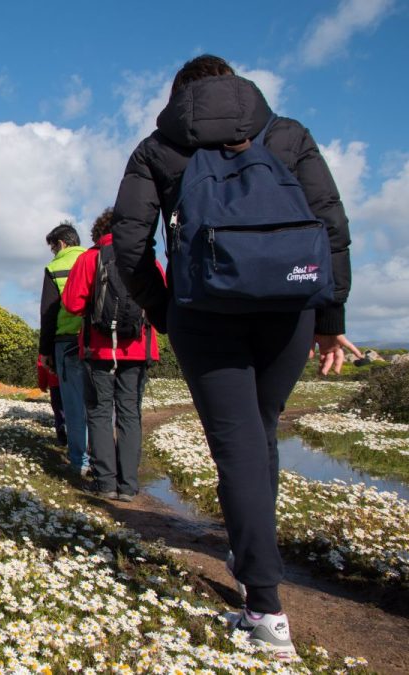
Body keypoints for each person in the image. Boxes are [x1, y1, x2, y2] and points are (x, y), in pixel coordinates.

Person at [110, 54, 362, 659]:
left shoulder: (157, 148)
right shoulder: (287, 133)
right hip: (290, 308)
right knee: (262, 432)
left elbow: (128, 242)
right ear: (236, 85)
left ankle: (266, 610)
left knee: (238, 445)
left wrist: (170, 312)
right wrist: (330, 318)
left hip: (205, 312)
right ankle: (255, 562)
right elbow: (330, 224)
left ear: (179, 98)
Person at [62, 207, 161, 502]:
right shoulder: (144, 258)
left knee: (100, 412)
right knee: (130, 413)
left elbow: (72, 304)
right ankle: (128, 485)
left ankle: (105, 482)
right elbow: (160, 299)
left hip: (99, 349)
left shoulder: (90, 258)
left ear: (98, 233)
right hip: (136, 348)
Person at [39, 222, 88, 473]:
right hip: (97, 340)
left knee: (73, 404)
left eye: (53, 248)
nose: (53, 253)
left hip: (66, 341)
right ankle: (107, 462)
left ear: (61, 243)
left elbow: (48, 313)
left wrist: (44, 351)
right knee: (101, 403)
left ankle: (80, 461)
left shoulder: (56, 267)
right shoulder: (96, 259)